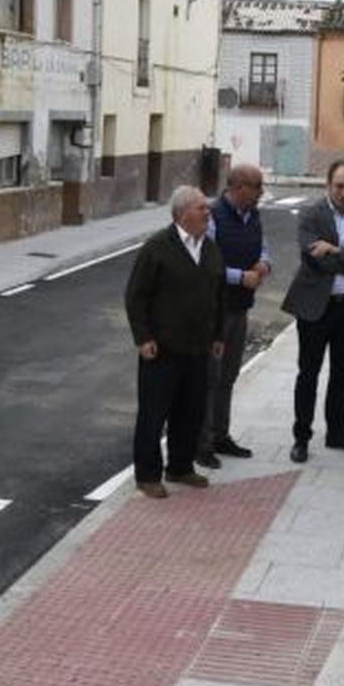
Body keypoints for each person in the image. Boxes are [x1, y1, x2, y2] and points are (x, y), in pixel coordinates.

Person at [124, 186, 226, 498]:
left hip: (198, 348)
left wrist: (218, 335)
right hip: (162, 349)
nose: (208, 212)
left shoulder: (210, 249)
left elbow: (219, 295)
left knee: (190, 412)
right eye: (201, 208)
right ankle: (147, 475)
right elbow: (135, 296)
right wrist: (143, 338)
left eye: (208, 207)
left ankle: (180, 467)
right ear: (183, 214)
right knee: (153, 414)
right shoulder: (157, 247)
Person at [281, 160, 344, 463]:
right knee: (308, 374)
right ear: (328, 185)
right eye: (339, 186)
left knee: (343, 374)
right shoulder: (311, 213)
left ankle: (336, 432)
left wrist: (335, 249)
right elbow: (315, 259)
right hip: (315, 307)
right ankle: (301, 438)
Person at [196, 163, 271, 470]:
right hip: (216, 312)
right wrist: (242, 277)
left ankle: (220, 435)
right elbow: (207, 265)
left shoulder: (254, 216)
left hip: (240, 308)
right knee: (209, 378)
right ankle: (201, 443)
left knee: (228, 376)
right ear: (238, 187)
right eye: (257, 187)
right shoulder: (213, 217)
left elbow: (263, 248)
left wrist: (264, 264)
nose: (261, 192)